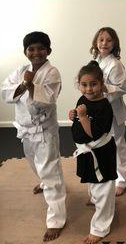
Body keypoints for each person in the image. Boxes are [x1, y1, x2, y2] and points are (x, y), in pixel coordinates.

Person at [1, 31, 66, 242]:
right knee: (33, 163)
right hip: (25, 129)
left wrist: (31, 86)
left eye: (41, 48)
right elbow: (5, 91)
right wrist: (22, 84)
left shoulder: (52, 73)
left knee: (50, 171)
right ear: (25, 52)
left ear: (48, 50)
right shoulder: (22, 70)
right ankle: (44, 182)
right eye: (31, 49)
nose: (36, 52)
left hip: (44, 131)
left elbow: (47, 101)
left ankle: (55, 221)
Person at [69, 61, 117, 244]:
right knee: (92, 180)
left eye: (93, 84)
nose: (89, 89)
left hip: (101, 152)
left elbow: (93, 132)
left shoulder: (105, 106)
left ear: (101, 83)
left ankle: (100, 228)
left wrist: (81, 117)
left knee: (103, 186)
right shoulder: (83, 100)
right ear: (79, 85)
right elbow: (80, 122)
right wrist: (74, 115)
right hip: (86, 152)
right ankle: (95, 198)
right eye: (84, 84)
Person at [90, 27, 126, 196]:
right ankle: (107, 173)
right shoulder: (96, 62)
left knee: (117, 144)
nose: (104, 43)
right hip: (99, 111)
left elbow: (123, 88)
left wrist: (104, 89)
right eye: (101, 40)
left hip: (113, 111)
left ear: (114, 44)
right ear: (95, 43)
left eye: (108, 40)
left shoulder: (115, 64)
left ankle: (123, 179)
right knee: (102, 143)